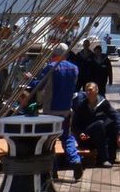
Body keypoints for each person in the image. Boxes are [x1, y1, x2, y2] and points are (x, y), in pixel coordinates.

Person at [29, 43, 83, 180]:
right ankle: (75, 160)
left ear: (55, 54)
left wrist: (29, 79)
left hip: (50, 111)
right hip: (65, 110)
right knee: (67, 137)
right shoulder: (74, 69)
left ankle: (53, 170)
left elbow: (38, 86)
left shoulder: (50, 68)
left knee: (49, 141)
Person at [71, 82, 120, 167]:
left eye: (90, 90)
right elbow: (75, 125)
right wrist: (80, 133)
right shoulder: (82, 106)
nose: (88, 92)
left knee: (112, 125)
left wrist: (119, 133)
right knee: (99, 124)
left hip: (100, 136)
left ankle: (111, 157)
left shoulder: (103, 103)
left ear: (97, 90)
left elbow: (116, 115)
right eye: (86, 90)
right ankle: (103, 159)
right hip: (86, 137)